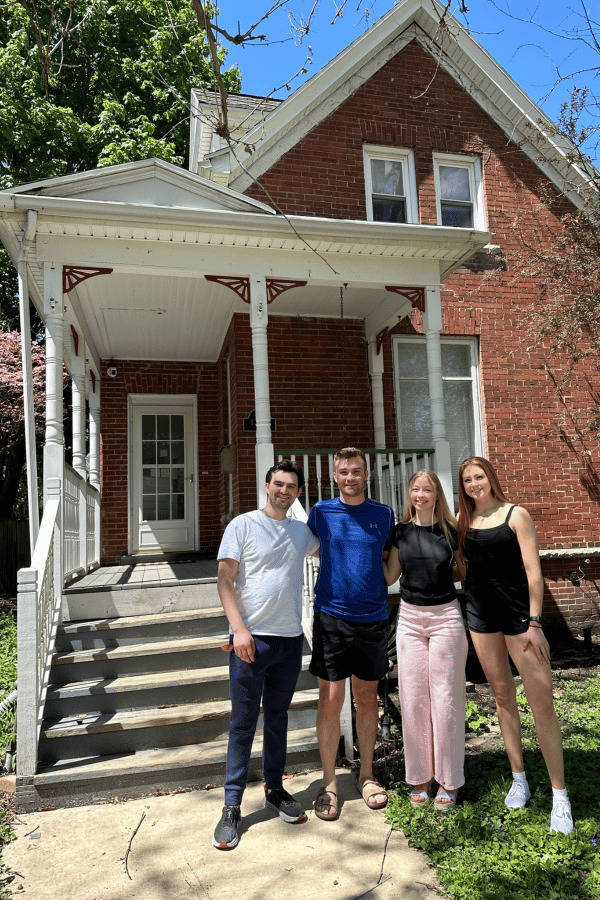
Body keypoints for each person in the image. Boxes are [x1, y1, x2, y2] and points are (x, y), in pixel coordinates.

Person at [457, 456, 573, 834]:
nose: (475, 484)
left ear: (490, 477)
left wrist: (536, 622)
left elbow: (533, 572)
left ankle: (560, 796)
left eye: (480, 477)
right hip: (480, 619)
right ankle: (519, 777)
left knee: (542, 704)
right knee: (503, 696)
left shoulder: (515, 515)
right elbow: (463, 569)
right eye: (468, 480)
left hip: (521, 619)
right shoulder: (463, 522)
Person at [212, 459, 320, 850]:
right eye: (278, 484)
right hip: (251, 641)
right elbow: (225, 580)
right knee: (242, 724)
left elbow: (333, 545)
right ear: (266, 485)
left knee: (277, 718)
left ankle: (275, 789)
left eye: (292, 486)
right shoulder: (242, 525)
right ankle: (231, 806)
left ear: (298, 493)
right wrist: (239, 630)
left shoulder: (301, 532)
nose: (284, 491)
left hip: (290, 642)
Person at [307, 447, 395, 820]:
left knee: (367, 697)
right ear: (335, 476)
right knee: (330, 699)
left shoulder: (384, 514)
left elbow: (392, 561)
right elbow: (302, 550)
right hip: (332, 618)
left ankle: (367, 774)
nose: (349, 477)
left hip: (374, 618)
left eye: (356, 471)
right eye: (343, 472)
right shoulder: (320, 513)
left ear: (366, 474)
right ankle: (329, 783)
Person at [384, 470, 468, 811]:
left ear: (437, 494)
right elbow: (390, 576)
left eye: (427, 489)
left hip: (446, 616)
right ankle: (420, 776)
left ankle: (449, 780)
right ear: (410, 494)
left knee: (446, 698)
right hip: (409, 619)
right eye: (415, 489)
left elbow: (461, 572)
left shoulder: (451, 531)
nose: (421, 494)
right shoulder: (399, 533)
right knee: (414, 698)